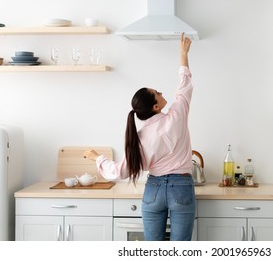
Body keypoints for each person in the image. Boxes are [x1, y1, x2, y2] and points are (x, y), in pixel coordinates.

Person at [83, 33, 195, 241]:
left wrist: (97, 158)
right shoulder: (177, 116)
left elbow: (119, 172)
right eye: (157, 93)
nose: (162, 93)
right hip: (181, 187)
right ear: (156, 106)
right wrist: (183, 56)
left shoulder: (140, 136)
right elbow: (184, 88)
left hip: (153, 191)